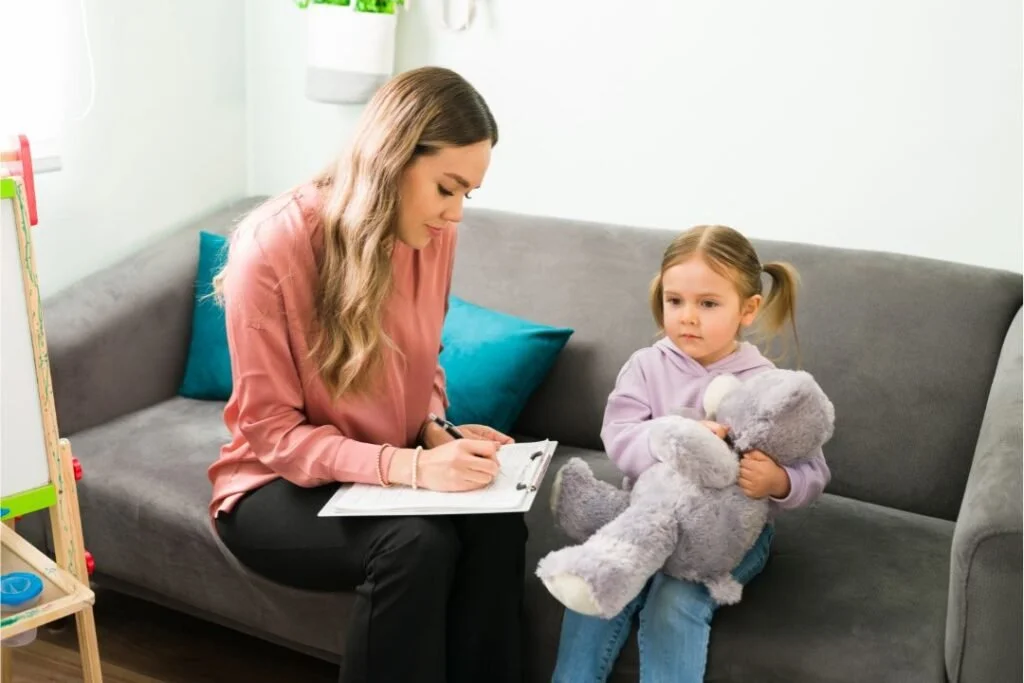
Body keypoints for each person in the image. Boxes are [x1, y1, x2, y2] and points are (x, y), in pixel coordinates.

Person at [207, 66, 527, 683]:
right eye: (446, 188)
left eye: (468, 195)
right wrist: (407, 467)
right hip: (273, 486)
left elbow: (421, 359)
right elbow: (271, 433)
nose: (455, 214)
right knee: (415, 545)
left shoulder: (432, 234)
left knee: (497, 523)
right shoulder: (272, 247)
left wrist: (436, 428)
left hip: (383, 464)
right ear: (393, 158)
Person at [551, 225, 831, 682]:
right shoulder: (646, 365)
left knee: (674, 601)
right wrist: (672, 438)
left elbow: (814, 470)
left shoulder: (767, 384)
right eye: (675, 301)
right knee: (596, 582)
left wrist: (780, 481)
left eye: (708, 303)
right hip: (646, 516)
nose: (687, 317)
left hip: (725, 536)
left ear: (748, 309)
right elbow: (620, 438)